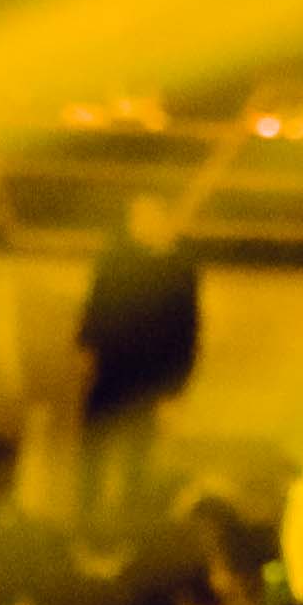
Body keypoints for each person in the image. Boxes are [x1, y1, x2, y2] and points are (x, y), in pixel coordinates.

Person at [73, 190, 205, 535]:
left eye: (144, 216)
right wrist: (87, 347)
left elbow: (187, 329)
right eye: (135, 217)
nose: (136, 224)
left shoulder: (179, 268)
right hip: (112, 368)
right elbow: (97, 304)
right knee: (95, 449)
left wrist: (175, 387)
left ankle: (127, 526)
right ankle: (86, 521)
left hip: (149, 377)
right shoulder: (117, 259)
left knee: (136, 456)